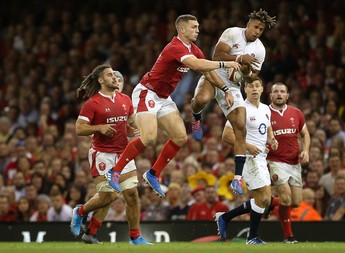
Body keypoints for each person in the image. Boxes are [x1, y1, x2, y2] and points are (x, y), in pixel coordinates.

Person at [105, 14, 241, 198]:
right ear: (182, 29)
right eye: (194, 27)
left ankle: (153, 174)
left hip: (163, 97)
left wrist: (225, 89)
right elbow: (195, 64)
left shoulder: (193, 49)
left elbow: (206, 71)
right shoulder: (175, 47)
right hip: (147, 92)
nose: (198, 30)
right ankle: (115, 171)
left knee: (180, 137)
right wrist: (227, 63)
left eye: (198, 26)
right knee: (150, 137)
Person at [191, 9, 276, 195]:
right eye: (256, 27)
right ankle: (196, 119)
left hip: (233, 85)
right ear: (249, 23)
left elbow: (253, 76)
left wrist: (246, 71)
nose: (257, 31)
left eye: (261, 29)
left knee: (240, 126)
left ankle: (237, 179)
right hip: (214, 74)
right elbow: (217, 56)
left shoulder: (260, 50)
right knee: (201, 100)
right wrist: (239, 58)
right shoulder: (232, 33)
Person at [70, 66, 150, 245]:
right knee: (110, 196)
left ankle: (135, 237)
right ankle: (81, 212)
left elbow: (129, 122)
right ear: (100, 80)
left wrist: (139, 129)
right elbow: (79, 128)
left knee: (132, 195)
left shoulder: (125, 99)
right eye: (109, 75)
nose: (114, 78)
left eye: (114, 75)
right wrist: (99, 127)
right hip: (102, 154)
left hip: (123, 153)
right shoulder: (93, 103)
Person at [215, 79, 278, 244]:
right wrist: (249, 146)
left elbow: (268, 128)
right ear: (245, 89)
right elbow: (227, 136)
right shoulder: (240, 109)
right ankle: (252, 237)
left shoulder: (265, 108)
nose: (255, 89)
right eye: (251, 86)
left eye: (258, 86)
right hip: (248, 159)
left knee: (265, 199)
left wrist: (272, 139)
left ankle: (225, 218)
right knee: (264, 198)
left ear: (263, 88)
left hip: (261, 158)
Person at [267, 82, 310, 243]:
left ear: (287, 96)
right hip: (275, 160)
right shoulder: (265, 113)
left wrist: (305, 150)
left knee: (296, 202)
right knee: (286, 199)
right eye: (276, 92)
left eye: (282, 91)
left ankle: (270, 202)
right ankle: (288, 236)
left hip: (294, 162)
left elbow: (305, 134)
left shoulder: (296, 113)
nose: (279, 94)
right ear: (271, 96)